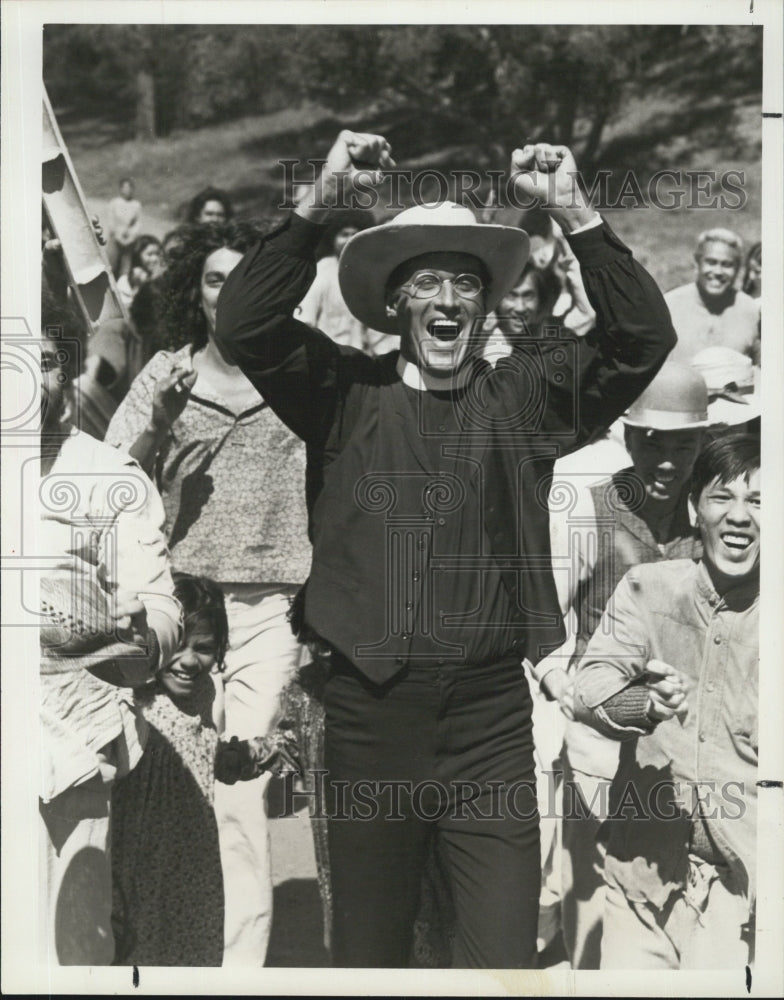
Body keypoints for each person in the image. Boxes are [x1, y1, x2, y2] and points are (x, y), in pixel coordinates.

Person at [213, 128, 677, 968]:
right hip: (366, 719)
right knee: (371, 958)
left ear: (487, 305)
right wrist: (320, 199)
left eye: (465, 283)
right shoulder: (340, 395)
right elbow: (245, 320)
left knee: (502, 960)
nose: (447, 299)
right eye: (424, 281)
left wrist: (573, 208)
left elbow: (643, 338)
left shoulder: (525, 397)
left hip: (489, 722)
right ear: (394, 306)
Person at [104, 219, 310, 966]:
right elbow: (110, 486)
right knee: (170, 799)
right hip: (178, 621)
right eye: (216, 278)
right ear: (195, 289)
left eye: (246, 278)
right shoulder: (164, 373)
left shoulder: (297, 373)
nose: (230, 294)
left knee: (242, 798)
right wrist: (158, 426)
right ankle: (162, 958)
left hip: (266, 617)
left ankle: (237, 972)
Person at [539, 362, 708, 968]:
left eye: (683, 443)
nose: (666, 461)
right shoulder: (589, 512)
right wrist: (565, 693)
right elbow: (548, 620)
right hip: (599, 742)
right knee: (589, 910)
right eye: (652, 443)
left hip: (687, 747)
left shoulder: (710, 516)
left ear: (702, 441)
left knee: (675, 903)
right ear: (628, 437)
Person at [572, 433, 760, 969]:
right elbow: (591, 686)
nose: (740, 516)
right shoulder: (647, 588)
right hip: (642, 881)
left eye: (761, 501)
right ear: (694, 509)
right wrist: (642, 703)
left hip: (743, 895)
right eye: (722, 497)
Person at [38, 301, 181, 965]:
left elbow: (159, 609)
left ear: (67, 376)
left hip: (71, 747)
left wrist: (142, 639)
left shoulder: (107, 477)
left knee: (74, 950)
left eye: (43, 361)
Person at [111, 573, 229, 967]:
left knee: (194, 951)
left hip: (193, 856)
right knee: (135, 951)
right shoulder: (133, 695)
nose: (190, 661)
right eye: (177, 646)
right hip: (138, 854)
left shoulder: (206, 691)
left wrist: (247, 757)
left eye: (206, 648)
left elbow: (203, 753)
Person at [297, 209, 396, 355]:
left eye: (355, 234)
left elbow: (377, 330)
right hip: (327, 356)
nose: (350, 239)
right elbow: (305, 321)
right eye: (344, 234)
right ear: (333, 238)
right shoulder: (321, 272)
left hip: (362, 358)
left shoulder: (369, 274)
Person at [664, 229, 761, 366]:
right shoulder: (668, 306)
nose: (718, 272)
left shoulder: (752, 311)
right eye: (711, 262)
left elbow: (763, 371)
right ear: (697, 263)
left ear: (738, 268)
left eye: (727, 264)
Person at [116, 234, 164, 311]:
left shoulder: (149, 274)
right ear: (138, 254)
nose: (155, 258)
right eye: (150, 254)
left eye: (157, 254)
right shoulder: (138, 274)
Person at [106, 177, 142, 278]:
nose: (128, 190)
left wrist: (131, 237)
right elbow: (111, 221)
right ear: (121, 189)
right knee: (110, 264)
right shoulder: (114, 203)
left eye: (130, 188)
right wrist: (118, 236)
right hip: (116, 238)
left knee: (125, 267)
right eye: (125, 187)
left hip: (129, 240)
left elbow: (137, 223)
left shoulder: (136, 205)